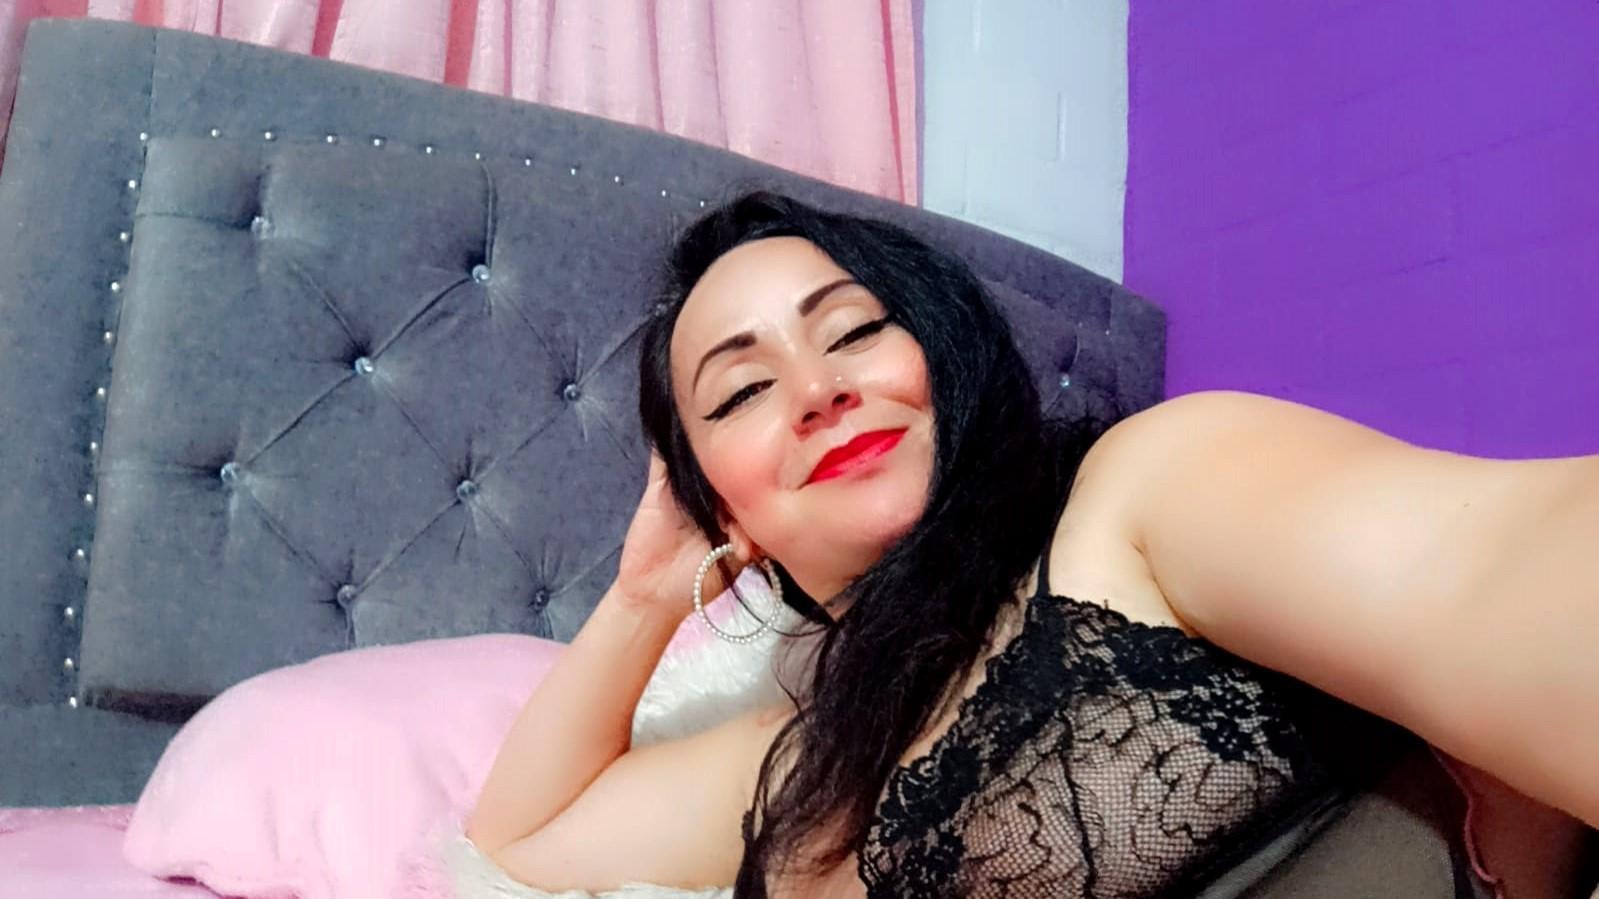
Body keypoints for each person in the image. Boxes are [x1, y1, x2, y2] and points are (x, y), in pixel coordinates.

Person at [463, 191, 1598, 898]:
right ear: (719, 503)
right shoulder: (791, 764)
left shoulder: (1145, 497)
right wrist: (648, 588)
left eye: (854, 329)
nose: (815, 390)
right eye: (742, 391)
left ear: (942, 346)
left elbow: (1508, 570)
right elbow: (520, 839)